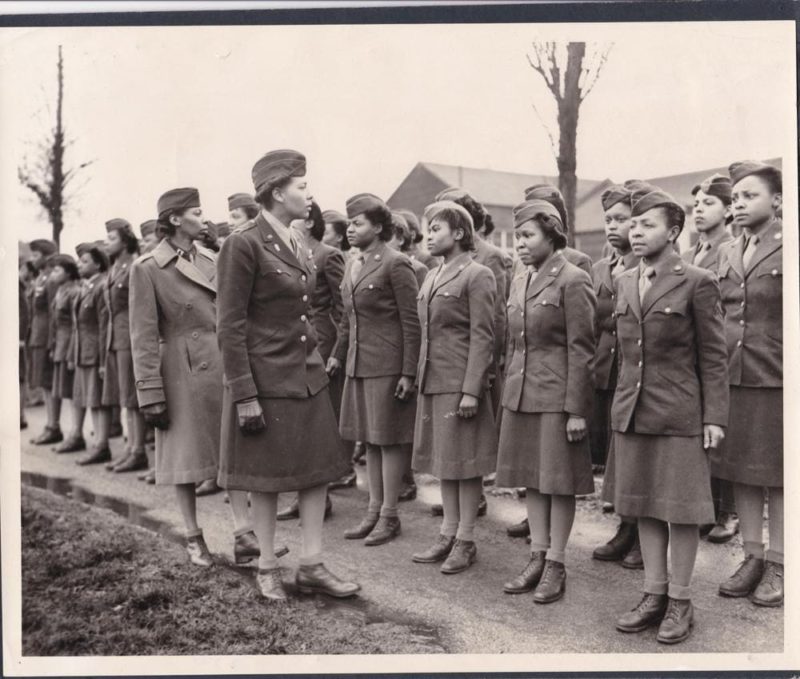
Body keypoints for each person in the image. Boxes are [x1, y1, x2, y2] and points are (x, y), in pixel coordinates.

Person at [217, 150, 358, 601]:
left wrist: (315, 350)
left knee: (315, 472)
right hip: (266, 379)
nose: (310, 194)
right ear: (277, 193)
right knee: (267, 477)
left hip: (307, 375)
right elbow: (230, 324)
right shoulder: (243, 243)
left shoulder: (297, 241)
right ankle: (267, 565)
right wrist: (244, 394)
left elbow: (308, 309)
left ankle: (312, 564)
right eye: (301, 186)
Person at [612, 187, 728, 645]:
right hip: (634, 410)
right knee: (643, 504)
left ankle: (680, 600)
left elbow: (714, 357)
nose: (636, 232)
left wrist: (714, 417)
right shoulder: (624, 280)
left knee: (680, 511)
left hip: (681, 411)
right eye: (633, 224)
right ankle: (653, 593)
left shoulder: (697, 281)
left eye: (648, 225)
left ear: (674, 232)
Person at [130, 187, 267, 568]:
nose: (204, 219)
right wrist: (149, 392)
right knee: (184, 458)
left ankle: (244, 534)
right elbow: (141, 336)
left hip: (221, 362)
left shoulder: (212, 258)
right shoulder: (147, 268)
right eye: (196, 213)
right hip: (178, 369)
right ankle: (193, 538)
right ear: (175, 220)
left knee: (231, 449)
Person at [496, 199, 596, 604]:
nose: (519, 244)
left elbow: (582, 350)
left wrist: (576, 410)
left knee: (558, 483)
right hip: (522, 395)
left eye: (527, 236)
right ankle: (537, 554)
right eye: (517, 236)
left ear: (551, 235)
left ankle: (556, 563)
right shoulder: (520, 278)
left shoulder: (573, 279)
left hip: (556, 397)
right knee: (532, 480)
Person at [328, 192, 421, 546]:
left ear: (379, 227)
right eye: (349, 223)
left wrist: (408, 372)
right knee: (370, 440)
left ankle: (389, 515)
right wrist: (339, 354)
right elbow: (347, 319)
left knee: (389, 441)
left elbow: (412, 323)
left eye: (358, 223)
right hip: (359, 364)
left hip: (387, 365)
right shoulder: (355, 262)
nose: (351, 229)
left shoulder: (395, 263)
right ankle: (374, 510)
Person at [711, 161, 783, 607]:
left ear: (776, 200)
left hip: (775, 377)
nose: (739, 204)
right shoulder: (727, 251)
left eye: (749, 195)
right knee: (740, 471)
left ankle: (780, 560)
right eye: (735, 197)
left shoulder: (789, 244)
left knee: (778, 476)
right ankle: (752, 555)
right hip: (732, 377)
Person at [411, 201, 497, 574]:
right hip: (433, 380)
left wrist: (472, 390)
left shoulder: (477, 275)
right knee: (444, 464)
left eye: (436, 229)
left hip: (459, 382)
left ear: (459, 234)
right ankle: (447, 534)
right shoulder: (432, 275)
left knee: (463, 465)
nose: (429, 235)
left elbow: (484, 337)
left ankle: (465, 539)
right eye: (428, 229)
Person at [276, 200, 347, 517]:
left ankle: (322, 498)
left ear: (308, 223)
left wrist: (337, 352)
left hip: (322, 344)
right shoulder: (289, 254)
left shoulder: (327, 255)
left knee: (320, 425)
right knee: (300, 425)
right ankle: (307, 496)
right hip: (297, 346)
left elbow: (344, 311)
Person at [590, 184, 643, 569]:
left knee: (638, 453)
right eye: (608, 219)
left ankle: (642, 534)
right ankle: (627, 525)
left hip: (638, 372)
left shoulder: (645, 267)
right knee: (618, 452)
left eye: (621, 219)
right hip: (607, 370)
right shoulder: (600, 267)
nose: (613, 226)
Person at [686, 173, 738, 543]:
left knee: (724, 429)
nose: (699, 210)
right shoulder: (690, 254)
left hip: (725, 348)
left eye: (708, 203)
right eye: (696, 204)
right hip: (692, 350)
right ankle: (707, 504)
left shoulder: (731, 248)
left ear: (729, 209)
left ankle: (729, 510)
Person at [101, 219, 149, 473]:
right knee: (125, 397)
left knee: (132, 396)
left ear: (125, 241)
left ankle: (139, 450)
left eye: (112, 238)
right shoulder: (115, 268)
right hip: (117, 339)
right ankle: (132, 448)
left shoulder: (134, 266)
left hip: (130, 338)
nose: (107, 243)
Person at [72, 241, 113, 465]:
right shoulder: (88, 286)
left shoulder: (100, 286)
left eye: (85, 261)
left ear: (98, 265)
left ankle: (102, 445)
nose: (80, 264)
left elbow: (103, 325)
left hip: (95, 352)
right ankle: (99, 443)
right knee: (91, 399)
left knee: (98, 401)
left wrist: (102, 360)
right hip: (84, 351)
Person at [26, 238, 62, 445]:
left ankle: (54, 425)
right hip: (36, 335)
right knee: (44, 383)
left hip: (46, 336)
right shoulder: (41, 278)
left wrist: (52, 341)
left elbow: (53, 311)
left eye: (36, 255)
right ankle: (50, 424)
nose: (33, 259)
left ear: (47, 257)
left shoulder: (51, 280)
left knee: (49, 382)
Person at [48, 255, 83, 453]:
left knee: (73, 392)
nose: (54, 274)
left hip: (70, 344)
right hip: (60, 345)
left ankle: (76, 434)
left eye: (57, 270)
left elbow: (75, 325)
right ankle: (71, 433)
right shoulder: (61, 290)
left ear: (68, 273)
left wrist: (70, 352)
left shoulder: (74, 291)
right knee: (64, 390)